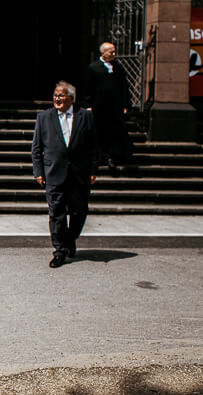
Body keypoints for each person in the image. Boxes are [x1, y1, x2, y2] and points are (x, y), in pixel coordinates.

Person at [31, 81, 97, 268]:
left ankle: (69, 238)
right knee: (56, 213)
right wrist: (38, 171)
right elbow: (36, 148)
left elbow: (93, 147)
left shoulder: (85, 116)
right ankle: (60, 250)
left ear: (72, 98)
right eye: (55, 95)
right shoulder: (44, 117)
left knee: (79, 211)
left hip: (79, 174)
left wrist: (93, 171)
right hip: (54, 173)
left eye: (61, 95)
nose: (57, 99)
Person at [85, 42, 132, 170]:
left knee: (115, 132)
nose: (113, 54)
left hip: (115, 107)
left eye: (114, 51)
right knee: (99, 132)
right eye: (111, 52)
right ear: (103, 52)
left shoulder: (118, 67)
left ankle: (114, 157)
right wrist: (89, 104)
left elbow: (123, 87)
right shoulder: (93, 68)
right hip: (99, 107)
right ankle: (100, 156)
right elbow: (89, 88)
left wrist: (125, 104)